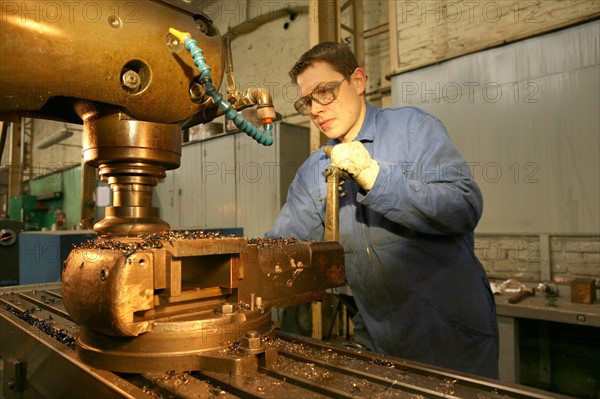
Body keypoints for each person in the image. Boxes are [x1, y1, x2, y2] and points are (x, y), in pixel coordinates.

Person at [266, 42, 499, 379]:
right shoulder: (314, 170)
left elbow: (463, 206)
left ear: (357, 81)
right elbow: (284, 246)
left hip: (451, 335)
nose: (316, 108)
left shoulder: (412, 130)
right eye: (307, 100)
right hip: (379, 338)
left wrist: (375, 177)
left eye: (325, 91)